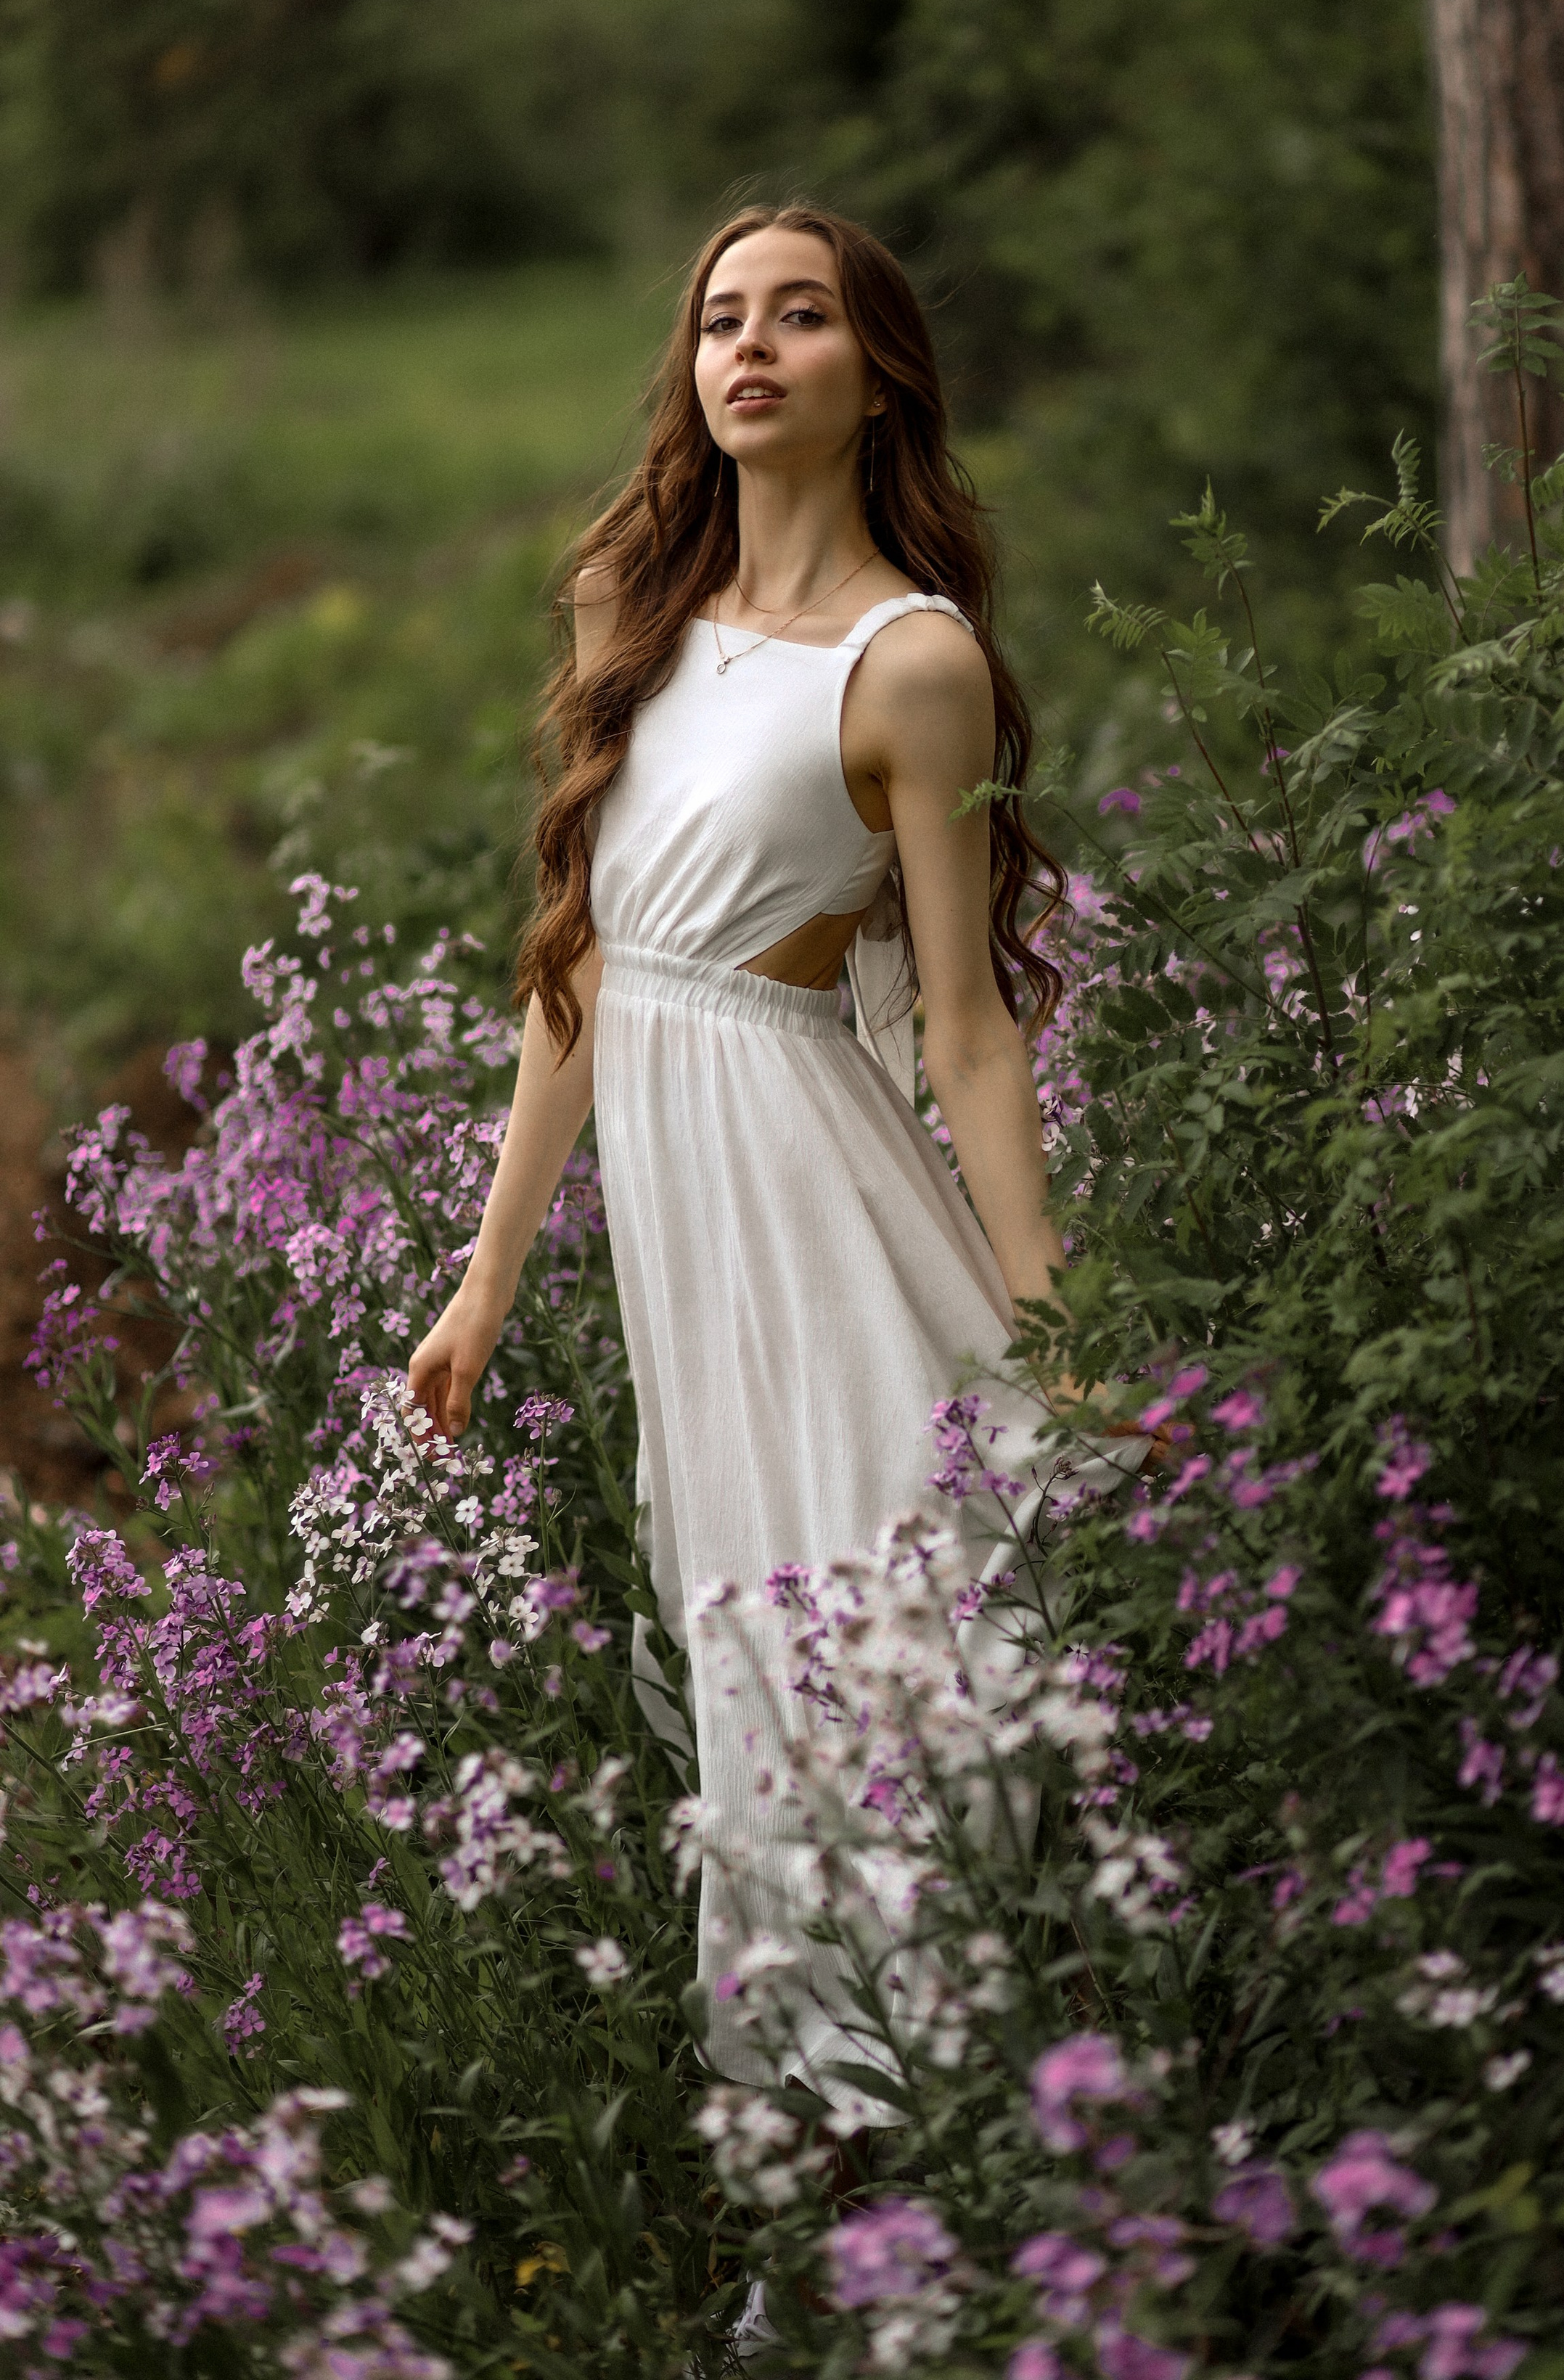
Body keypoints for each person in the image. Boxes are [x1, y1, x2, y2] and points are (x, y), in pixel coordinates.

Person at [408, 200, 1069, 2092]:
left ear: (880, 382)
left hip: (827, 1212)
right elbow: (588, 976)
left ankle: (972, 2126)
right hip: (691, 1246)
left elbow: (965, 1031)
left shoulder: (909, 660)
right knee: (761, 1680)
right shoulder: (640, 618)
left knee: (901, 1655)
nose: (751, 344)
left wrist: (1061, 1329)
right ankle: (840, 2170)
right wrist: (483, 1282)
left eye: (802, 316)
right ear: (694, 373)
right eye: (721, 318)